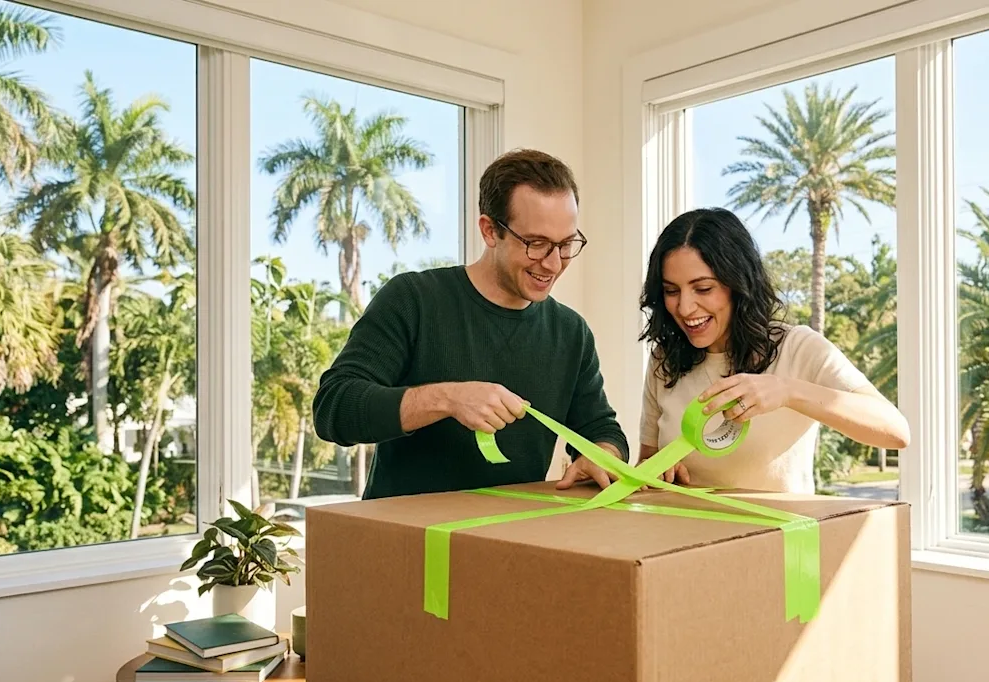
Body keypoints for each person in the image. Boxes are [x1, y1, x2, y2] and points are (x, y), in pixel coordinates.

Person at [312, 148, 629, 499]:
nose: (553, 263)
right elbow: (334, 408)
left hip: (514, 543)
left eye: (566, 244)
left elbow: (601, 429)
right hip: (405, 544)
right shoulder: (413, 299)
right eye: (536, 244)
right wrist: (448, 398)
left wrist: (601, 456)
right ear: (490, 230)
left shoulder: (571, 333)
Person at [635, 207, 909, 494]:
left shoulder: (798, 348)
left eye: (703, 289)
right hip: (686, 535)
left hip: (778, 537)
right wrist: (659, 473)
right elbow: (648, 464)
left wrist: (788, 392)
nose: (685, 307)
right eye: (671, 291)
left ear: (738, 283)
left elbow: (895, 431)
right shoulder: (664, 360)